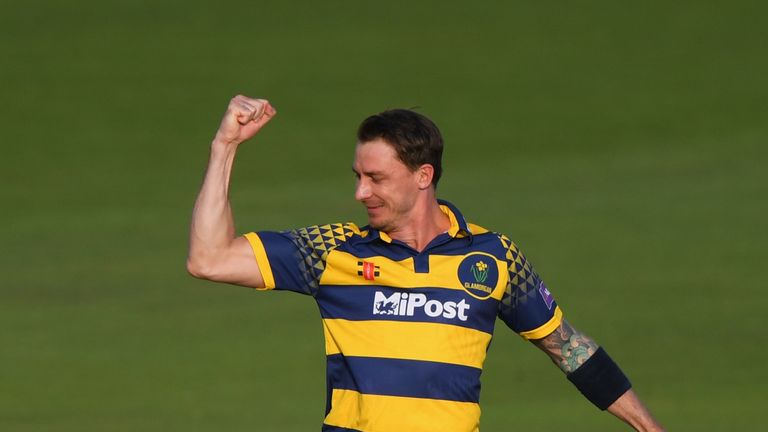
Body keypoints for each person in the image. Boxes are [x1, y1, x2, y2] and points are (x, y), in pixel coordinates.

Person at [187, 95, 664, 432]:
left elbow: (568, 348)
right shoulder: (333, 250)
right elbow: (208, 258)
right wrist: (224, 146)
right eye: (357, 177)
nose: (360, 193)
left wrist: (647, 426)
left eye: (375, 178)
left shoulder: (492, 259)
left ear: (423, 176)